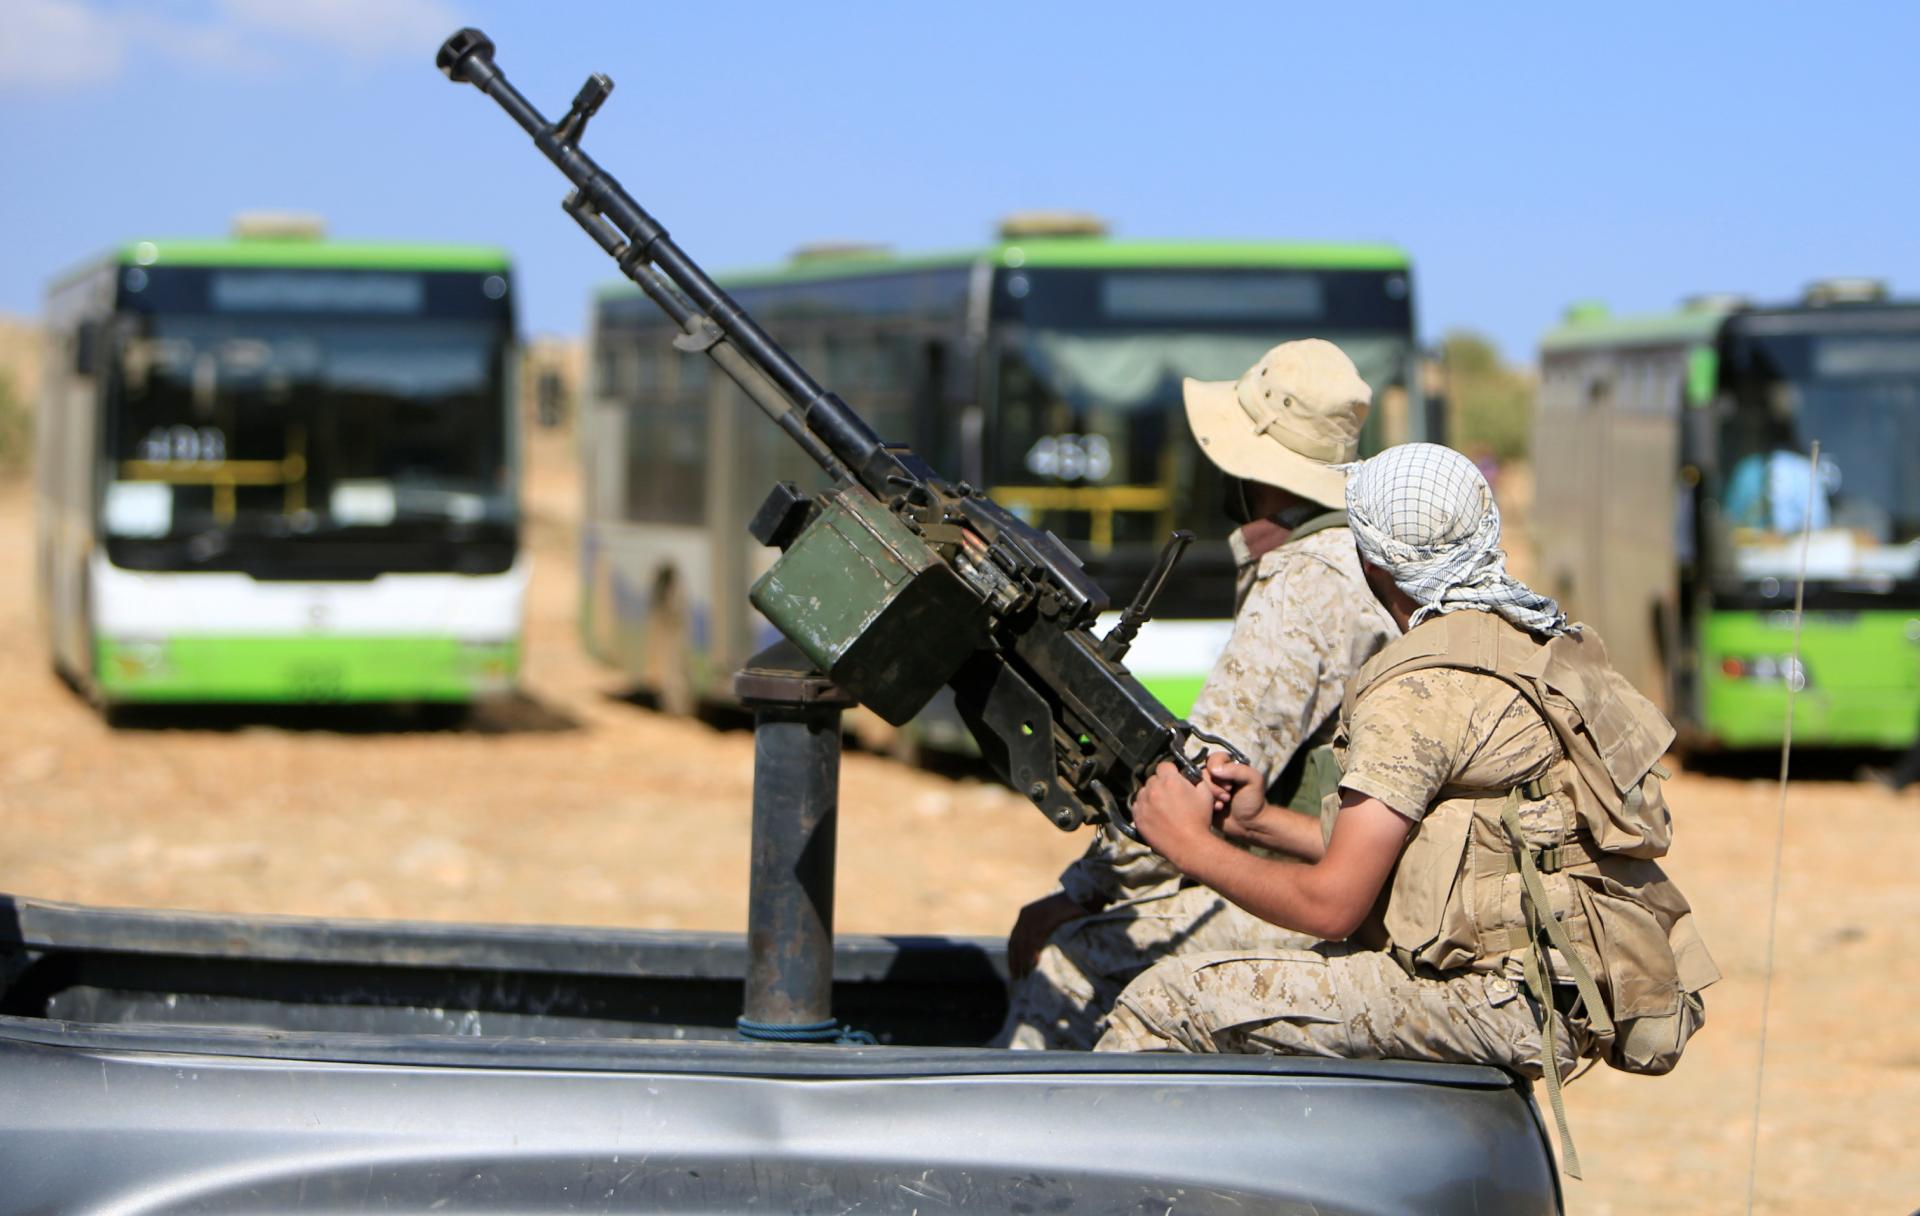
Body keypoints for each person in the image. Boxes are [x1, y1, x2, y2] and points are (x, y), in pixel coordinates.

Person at [1096, 443, 1719, 1179]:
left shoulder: (1417, 690)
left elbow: (1332, 905)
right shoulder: (1532, 640)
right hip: (1544, 982)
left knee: (1165, 1000)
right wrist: (1257, 824)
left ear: (1372, 565)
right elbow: (1444, 845)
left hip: (1490, 999)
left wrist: (1189, 844)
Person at [997, 339, 1396, 1050]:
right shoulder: (1352, 558)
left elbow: (1197, 779)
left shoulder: (1310, 581)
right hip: (1335, 877)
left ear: (1250, 471)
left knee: (1069, 962)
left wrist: (1084, 892)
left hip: (1315, 897)